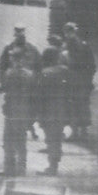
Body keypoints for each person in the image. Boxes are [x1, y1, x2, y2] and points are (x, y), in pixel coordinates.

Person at [36, 39, 72, 175]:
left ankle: (52, 167)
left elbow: (40, 95)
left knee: (51, 138)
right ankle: (54, 164)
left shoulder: (45, 73)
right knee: (56, 137)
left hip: (48, 111)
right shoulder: (65, 71)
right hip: (62, 109)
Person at [0, 62, 37, 177]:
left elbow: (6, 91)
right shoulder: (30, 75)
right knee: (20, 141)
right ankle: (21, 168)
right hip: (23, 111)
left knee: (8, 140)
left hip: (12, 110)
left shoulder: (9, 73)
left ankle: (9, 169)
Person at [62, 22, 96, 141]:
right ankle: (83, 132)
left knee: (74, 105)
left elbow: (73, 63)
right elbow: (92, 66)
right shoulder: (83, 44)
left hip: (75, 81)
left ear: (69, 32)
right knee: (82, 105)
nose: (67, 35)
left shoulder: (70, 46)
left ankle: (75, 132)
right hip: (83, 81)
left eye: (68, 32)